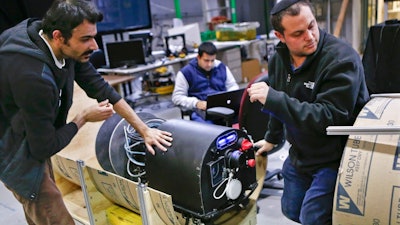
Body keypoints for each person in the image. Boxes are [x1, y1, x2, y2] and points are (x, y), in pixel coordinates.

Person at [0, 0, 172, 224]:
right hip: (13, 152)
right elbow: (44, 147)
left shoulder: (65, 45)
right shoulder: (34, 78)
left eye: (93, 36)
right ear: (58, 36)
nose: (95, 46)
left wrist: (144, 130)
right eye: (86, 39)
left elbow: (103, 90)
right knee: (46, 204)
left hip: (29, 131)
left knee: (39, 211)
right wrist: (83, 118)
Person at [247, 0, 370, 224]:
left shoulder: (341, 60)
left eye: (312, 25)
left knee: (313, 218)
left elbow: (329, 118)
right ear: (280, 36)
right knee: (291, 210)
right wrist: (272, 139)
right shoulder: (279, 60)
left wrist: (273, 98)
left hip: (335, 157)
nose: (310, 36)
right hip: (301, 153)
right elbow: (277, 105)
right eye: (298, 33)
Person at [172, 41, 239, 123]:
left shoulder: (221, 67)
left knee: (243, 119)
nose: (210, 64)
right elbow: (177, 97)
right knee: (208, 130)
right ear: (198, 57)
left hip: (223, 107)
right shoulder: (186, 73)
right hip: (200, 112)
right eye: (206, 60)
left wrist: (231, 97)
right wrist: (196, 103)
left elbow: (233, 86)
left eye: (212, 60)